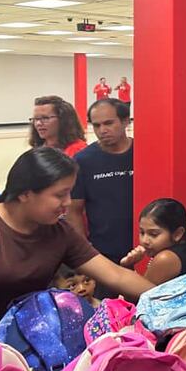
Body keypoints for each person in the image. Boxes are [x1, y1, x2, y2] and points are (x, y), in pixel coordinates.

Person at [0, 148, 154, 327]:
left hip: (27, 341)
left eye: (70, 193)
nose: (68, 202)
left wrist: (169, 299)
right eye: (60, 195)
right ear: (25, 193)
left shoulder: (59, 232)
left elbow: (116, 275)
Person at [67, 99, 134, 265]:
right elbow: (74, 210)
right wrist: (84, 251)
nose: (102, 130)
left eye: (109, 123)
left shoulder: (144, 152)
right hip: (105, 254)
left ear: (126, 121)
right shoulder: (83, 160)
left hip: (146, 248)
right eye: (96, 126)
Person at [120, 198, 186, 285]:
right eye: (142, 232)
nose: (145, 240)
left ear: (178, 234)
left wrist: (127, 267)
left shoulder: (166, 258)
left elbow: (138, 296)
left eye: (154, 234)